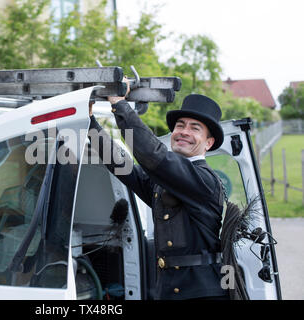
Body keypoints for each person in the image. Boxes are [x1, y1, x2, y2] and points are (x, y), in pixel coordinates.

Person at [88, 80, 230, 300]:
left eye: (195, 128)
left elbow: (154, 155)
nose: (183, 132)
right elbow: (122, 166)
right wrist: (90, 124)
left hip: (201, 293)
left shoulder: (204, 180)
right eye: (180, 125)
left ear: (208, 143)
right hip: (170, 290)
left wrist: (120, 105)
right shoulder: (168, 178)